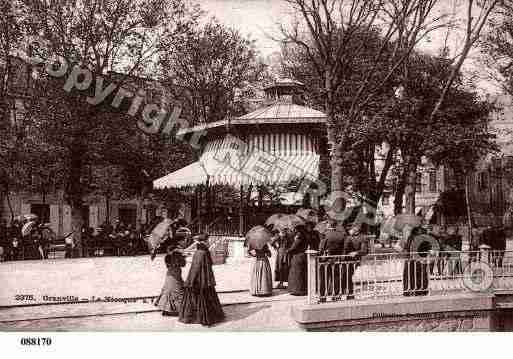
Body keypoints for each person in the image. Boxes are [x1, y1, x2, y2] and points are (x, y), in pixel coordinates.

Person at [179, 233, 224, 326]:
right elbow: (197, 267)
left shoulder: (201, 251)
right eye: (207, 240)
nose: (208, 242)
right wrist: (192, 280)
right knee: (203, 296)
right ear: (204, 241)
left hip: (203, 278)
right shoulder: (201, 252)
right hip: (201, 279)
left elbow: (206, 264)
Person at [318, 220, 347, 298]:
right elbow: (344, 248)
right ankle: (336, 295)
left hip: (326, 259)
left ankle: (323, 296)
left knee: (324, 278)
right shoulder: (341, 235)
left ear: (329, 225)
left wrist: (321, 253)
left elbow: (321, 248)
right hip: (337, 258)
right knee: (336, 277)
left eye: (327, 224)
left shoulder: (325, 235)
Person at [155, 244, 186, 316]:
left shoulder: (168, 257)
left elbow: (170, 265)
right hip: (174, 274)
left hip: (171, 274)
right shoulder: (174, 256)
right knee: (175, 289)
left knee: (169, 289)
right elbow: (183, 264)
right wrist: (181, 257)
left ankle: (167, 309)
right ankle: (176, 310)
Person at [287, 225, 309, 296]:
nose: (294, 230)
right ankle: (301, 289)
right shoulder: (304, 235)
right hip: (302, 256)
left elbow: (294, 247)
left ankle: (297, 290)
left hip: (298, 256)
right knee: (300, 273)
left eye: (295, 229)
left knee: (297, 273)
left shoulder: (299, 237)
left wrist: (288, 250)